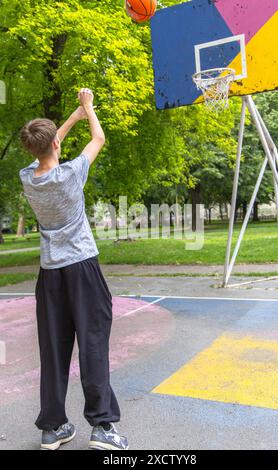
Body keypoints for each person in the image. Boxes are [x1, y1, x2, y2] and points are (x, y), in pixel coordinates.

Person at [19, 88, 128, 451]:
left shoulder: (27, 178)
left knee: (53, 349)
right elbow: (99, 138)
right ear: (54, 146)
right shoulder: (71, 174)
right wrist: (88, 109)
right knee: (93, 343)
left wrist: (72, 118)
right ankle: (102, 428)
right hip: (81, 268)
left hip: (49, 275)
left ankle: (53, 427)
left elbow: (47, 146)